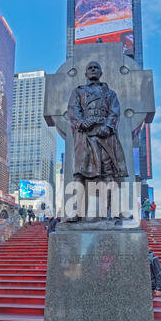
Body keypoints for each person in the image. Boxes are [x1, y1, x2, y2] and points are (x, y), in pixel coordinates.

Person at [67, 61, 128, 221]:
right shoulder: (78, 91)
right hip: (85, 136)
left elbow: (115, 112)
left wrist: (108, 127)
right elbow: (73, 110)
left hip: (104, 136)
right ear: (86, 73)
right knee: (80, 172)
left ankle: (110, 210)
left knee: (108, 173)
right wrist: (81, 122)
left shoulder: (110, 93)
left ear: (101, 72)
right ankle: (76, 211)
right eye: (90, 68)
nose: (93, 70)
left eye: (96, 68)